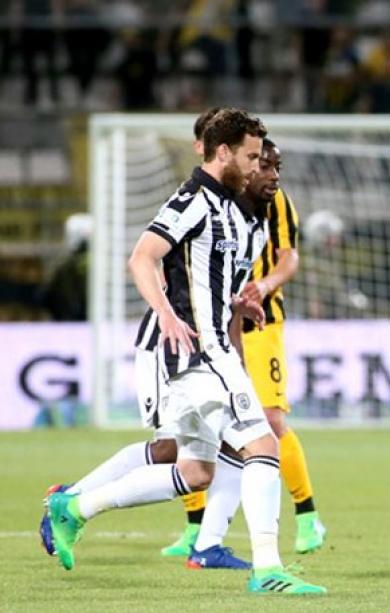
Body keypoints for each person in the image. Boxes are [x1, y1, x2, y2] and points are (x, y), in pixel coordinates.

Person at [44, 108, 326, 594]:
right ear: (224, 153)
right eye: (252, 157)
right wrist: (167, 314)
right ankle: (267, 570)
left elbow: (209, 282)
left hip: (212, 351)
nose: (259, 167)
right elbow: (142, 257)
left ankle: (75, 507)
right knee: (262, 445)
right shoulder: (194, 199)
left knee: (195, 472)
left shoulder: (240, 214)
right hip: (196, 353)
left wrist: (238, 305)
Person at [236, 138, 328, 556]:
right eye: (266, 165)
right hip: (217, 326)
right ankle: (197, 530)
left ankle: (307, 516)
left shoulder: (277, 203)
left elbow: (289, 257)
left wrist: (266, 284)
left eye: (278, 167)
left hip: (261, 324)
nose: (273, 175)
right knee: (202, 426)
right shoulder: (215, 198)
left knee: (271, 420)